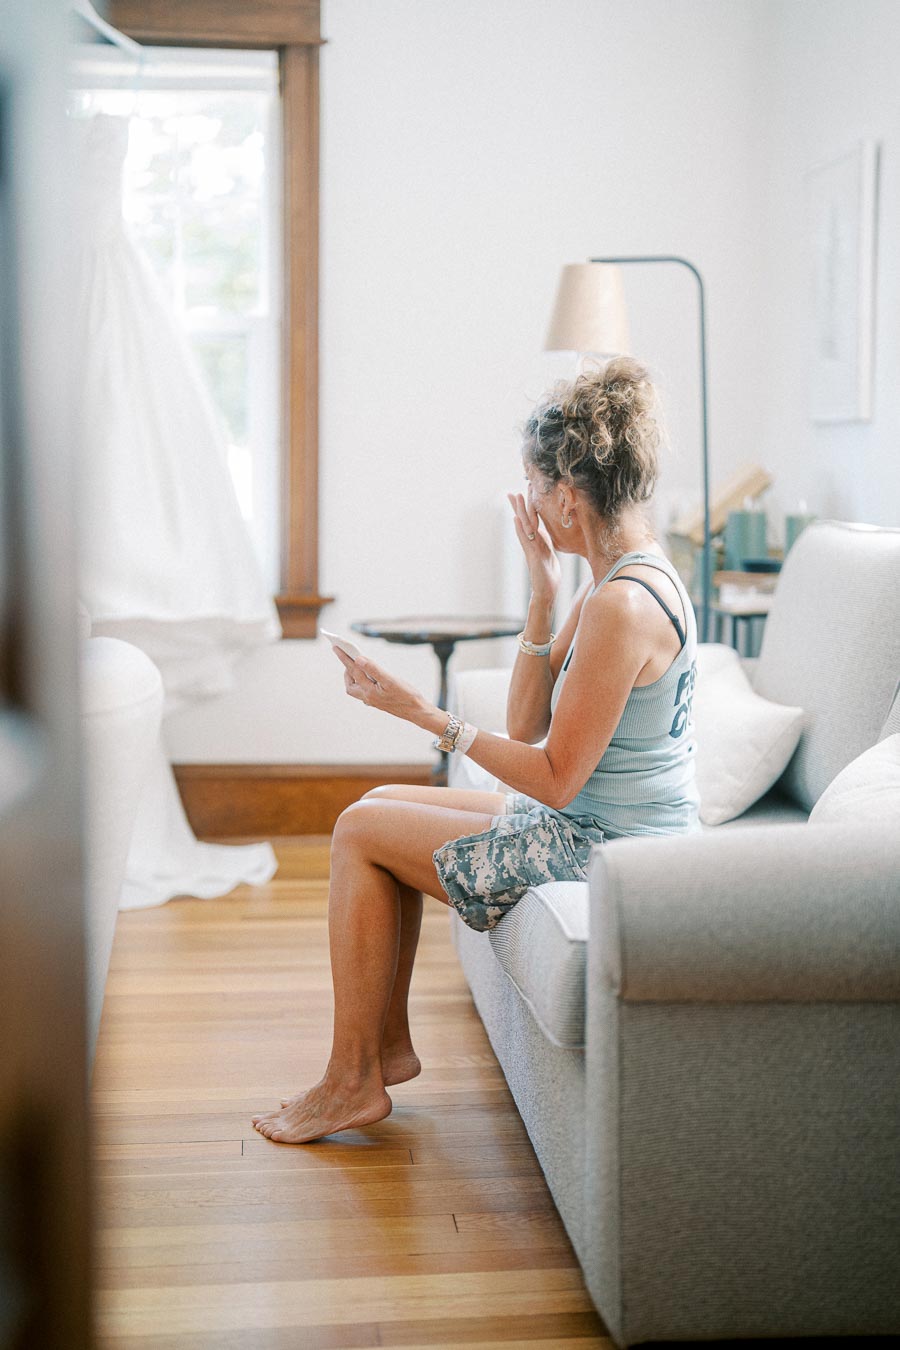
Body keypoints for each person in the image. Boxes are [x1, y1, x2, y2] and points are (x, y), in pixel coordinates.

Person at [252, 356, 699, 1145]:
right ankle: (381, 1048)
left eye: (533, 487)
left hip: (609, 850)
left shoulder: (624, 605)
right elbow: (527, 723)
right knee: (377, 808)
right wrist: (539, 596)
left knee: (358, 831)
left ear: (567, 493)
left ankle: (350, 1079)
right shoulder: (614, 580)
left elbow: (557, 780)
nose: (528, 504)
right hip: (594, 827)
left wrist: (424, 714)